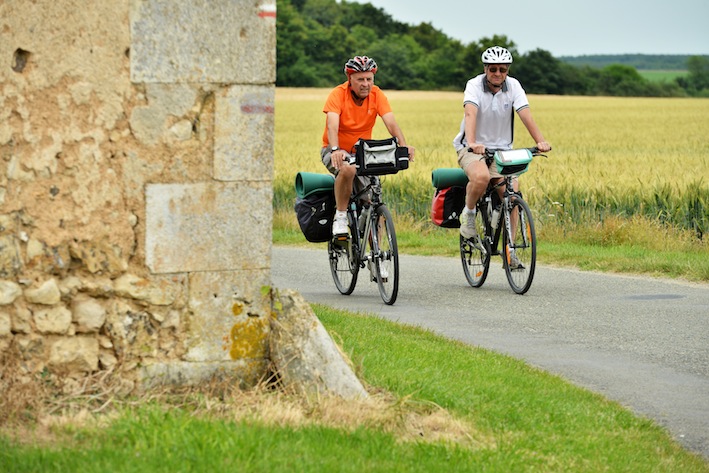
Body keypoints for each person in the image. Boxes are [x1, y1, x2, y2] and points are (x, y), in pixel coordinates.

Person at [452, 46, 551, 268]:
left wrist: (540, 141)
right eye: (493, 69)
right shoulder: (474, 85)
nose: (498, 74)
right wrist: (472, 142)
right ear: (486, 68)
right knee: (480, 177)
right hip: (471, 147)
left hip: (502, 151)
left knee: (513, 193)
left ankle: (510, 249)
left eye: (503, 70)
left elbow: (525, 114)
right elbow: (470, 112)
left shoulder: (513, 86)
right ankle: (468, 217)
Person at [321, 55, 414, 237]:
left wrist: (403, 146)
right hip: (334, 149)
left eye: (369, 79)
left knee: (373, 201)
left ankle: (377, 261)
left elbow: (391, 123)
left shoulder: (377, 94)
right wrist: (335, 149)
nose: (366, 84)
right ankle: (340, 217)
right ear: (350, 79)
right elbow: (332, 124)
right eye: (360, 79)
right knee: (347, 170)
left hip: (364, 152)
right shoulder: (338, 94)